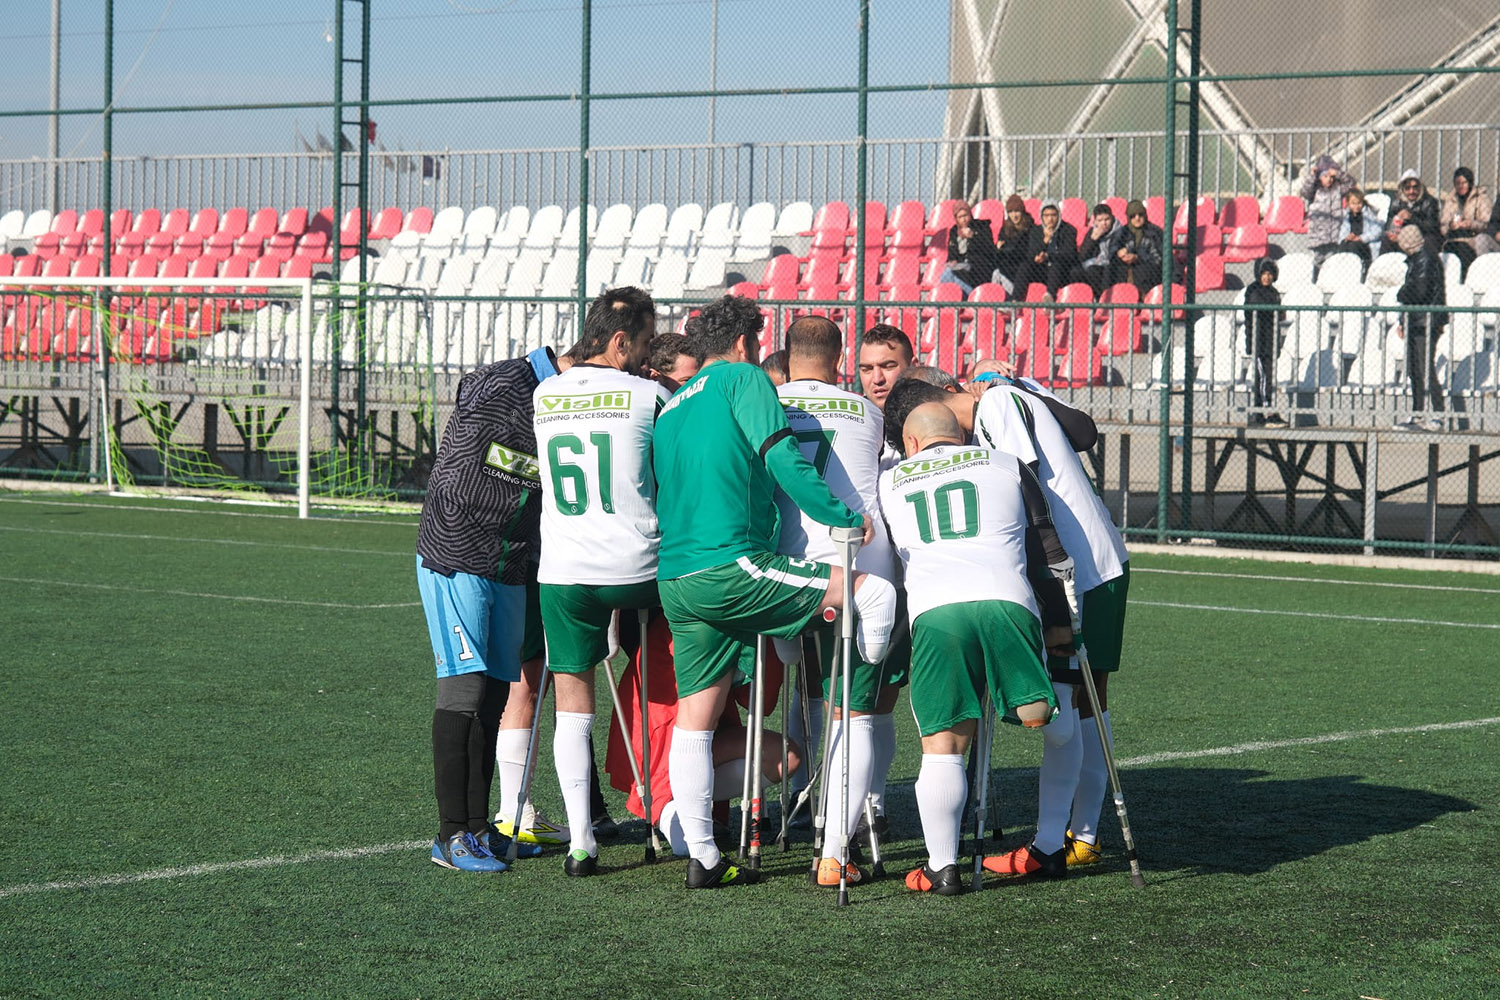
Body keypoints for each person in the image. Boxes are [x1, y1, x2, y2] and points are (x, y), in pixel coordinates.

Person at [652, 294, 897, 889]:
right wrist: (840, 514)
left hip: (676, 578)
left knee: (696, 721)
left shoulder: (671, 405)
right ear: (743, 345)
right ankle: (855, 713)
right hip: (731, 565)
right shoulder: (743, 378)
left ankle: (704, 858)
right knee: (874, 594)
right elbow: (781, 455)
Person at [880, 403, 1073, 894]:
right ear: (962, 436)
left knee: (942, 747)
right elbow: (1045, 544)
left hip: (935, 610)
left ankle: (942, 867)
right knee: (1049, 717)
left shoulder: (890, 478)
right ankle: (1052, 835)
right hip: (1007, 600)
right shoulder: (1007, 462)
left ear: (913, 444)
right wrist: (1060, 619)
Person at [531, 287, 668, 877]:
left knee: (572, 703)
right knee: (666, 680)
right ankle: (670, 815)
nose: (643, 357)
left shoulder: (543, 394)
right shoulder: (650, 394)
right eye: (640, 345)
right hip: (641, 566)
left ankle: (581, 840)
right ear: (618, 343)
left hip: (564, 570)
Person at [972, 374, 1131, 877]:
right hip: (1100, 561)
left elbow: (1026, 486)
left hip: (1073, 570)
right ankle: (1079, 837)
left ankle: (1048, 847)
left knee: (1069, 706)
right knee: (1089, 702)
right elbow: (1085, 432)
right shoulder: (1017, 393)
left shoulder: (996, 401)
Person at [416, 341, 564, 873]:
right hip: (458, 551)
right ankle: (451, 836)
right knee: (465, 687)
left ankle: (481, 829)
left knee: (498, 689)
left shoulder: (568, 396)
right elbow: (470, 401)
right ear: (616, 346)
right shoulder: (508, 383)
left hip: (511, 560)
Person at [773, 316, 896, 886]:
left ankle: (773, 807)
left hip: (786, 572)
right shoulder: (868, 410)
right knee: (856, 707)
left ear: (787, 354)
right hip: (862, 568)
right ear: (841, 357)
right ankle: (835, 846)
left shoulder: (764, 404)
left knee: (807, 681)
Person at [1394, 224, 1447, 431]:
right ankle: (1418, 414)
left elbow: (1418, 292)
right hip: (1415, 320)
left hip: (1427, 321)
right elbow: (1412, 293)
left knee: (1425, 367)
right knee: (1414, 368)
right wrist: (1403, 320)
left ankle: (1439, 414)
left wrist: (1401, 292)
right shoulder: (1416, 259)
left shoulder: (1425, 258)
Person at [1242, 258, 1286, 428]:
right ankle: (1267, 411)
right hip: (1258, 342)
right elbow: (1256, 306)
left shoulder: (1274, 292)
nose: (1267, 277)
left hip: (1270, 341)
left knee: (1268, 376)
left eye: (1269, 274)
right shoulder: (1253, 290)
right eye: (1264, 274)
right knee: (1263, 378)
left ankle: (1261, 412)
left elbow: (1278, 312)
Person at [1301, 154, 1355, 267]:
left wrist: (1338, 174)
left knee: (1331, 260)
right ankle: (1315, 279)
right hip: (1318, 233)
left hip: (1333, 233)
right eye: (1325, 176)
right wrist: (1312, 176)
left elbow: (1351, 183)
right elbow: (1305, 192)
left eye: (1331, 177)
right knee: (1318, 260)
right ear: (1320, 177)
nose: (1329, 179)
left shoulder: (1337, 189)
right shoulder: (1315, 190)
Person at [1439, 167, 1493, 279]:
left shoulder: (1481, 198)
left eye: (1464, 183)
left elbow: (1487, 224)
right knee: (1451, 249)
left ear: (1470, 182)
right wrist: (1450, 226)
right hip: (1453, 238)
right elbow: (1443, 225)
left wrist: (1470, 224)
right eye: (1457, 183)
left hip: (1472, 238)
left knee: (1464, 251)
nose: (1461, 186)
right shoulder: (1451, 199)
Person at [1104, 200, 1167, 297]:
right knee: (1110, 269)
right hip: (1126, 268)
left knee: (1140, 270)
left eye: (1140, 215)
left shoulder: (1155, 232)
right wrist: (1118, 253)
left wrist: (1138, 257)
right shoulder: (1122, 233)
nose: (1137, 219)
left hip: (1149, 268)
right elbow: (1112, 251)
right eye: (1133, 216)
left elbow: (1159, 258)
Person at [938, 204, 999, 298]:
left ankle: (968, 298)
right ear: (956, 219)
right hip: (961, 267)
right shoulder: (954, 231)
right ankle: (970, 297)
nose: (964, 219)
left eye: (965, 215)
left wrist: (973, 236)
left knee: (949, 275)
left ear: (970, 215)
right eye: (960, 217)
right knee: (948, 273)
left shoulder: (982, 226)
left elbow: (989, 248)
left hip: (979, 266)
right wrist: (952, 260)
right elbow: (952, 253)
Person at [1026, 203, 1081, 299]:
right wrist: (1045, 242)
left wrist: (1049, 256)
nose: (1050, 219)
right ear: (1042, 217)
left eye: (1053, 215)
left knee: (1056, 264)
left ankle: (1050, 296)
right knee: (1024, 267)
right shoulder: (1036, 231)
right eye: (1046, 216)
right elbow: (1032, 253)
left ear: (1059, 215)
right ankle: (1015, 301)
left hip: (1063, 270)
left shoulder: (1069, 230)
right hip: (1042, 269)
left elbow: (1069, 254)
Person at [856, 323, 916, 412]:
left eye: (888, 367)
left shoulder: (933, 417)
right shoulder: (850, 422)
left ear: (913, 367)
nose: (877, 379)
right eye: (867, 369)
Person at [1384, 170, 1442, 256]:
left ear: (1420, 188)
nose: (1412, 191)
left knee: (1431, 241)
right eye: (1407, 188)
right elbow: (1388, 225)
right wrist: (1394, 227)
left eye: (1415, 187)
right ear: (1402, 189)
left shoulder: (1429, 202)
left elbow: (1433, 226)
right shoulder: (1396, 203)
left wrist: (1412, 218)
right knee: (1386, 240)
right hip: (1401, 235)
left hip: (1422, 235)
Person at [992, 194, 1035, 295]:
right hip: (1007, 267)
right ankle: (996, 301)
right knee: (996, 272)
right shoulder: (1005, 229)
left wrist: (1004, 249)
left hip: (1023, 269)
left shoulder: (1031, 228)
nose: (1014, 215)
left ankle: (1011, 302)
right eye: (1011, 212)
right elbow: (997, 255)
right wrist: (999, 250)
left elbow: (1025, 252)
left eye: (1017, 211)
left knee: (998, 274)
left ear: (1022, 212)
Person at [1076, 203, 1122, 294]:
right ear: (1095, 221)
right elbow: (1082, 256)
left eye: (1107, 219)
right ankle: (1096, 298)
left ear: (1112, 218)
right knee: (1080, 272)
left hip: (1114, 263)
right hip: (1097, 264)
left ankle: (1104, 298)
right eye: (1100, 220)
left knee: (1106, 270)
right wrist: (1092, 240)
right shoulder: (1092, 232)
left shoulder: (1120, 231)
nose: (1104, 223)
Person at [1334, 188, 1384, 271]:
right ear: (1348, 204)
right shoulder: (1347, 215)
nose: (1356, 206)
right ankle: (1343, 269)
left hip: (1364, 243)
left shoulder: (1368, 214)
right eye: (1353, 203)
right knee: (1343, 245)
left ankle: (1359, 269)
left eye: (1359, 203)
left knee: (1354, 246)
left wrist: (1361, 237)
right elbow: (1343, 231)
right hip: (1351, 241)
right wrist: (1347, 237)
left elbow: (1378, 230)